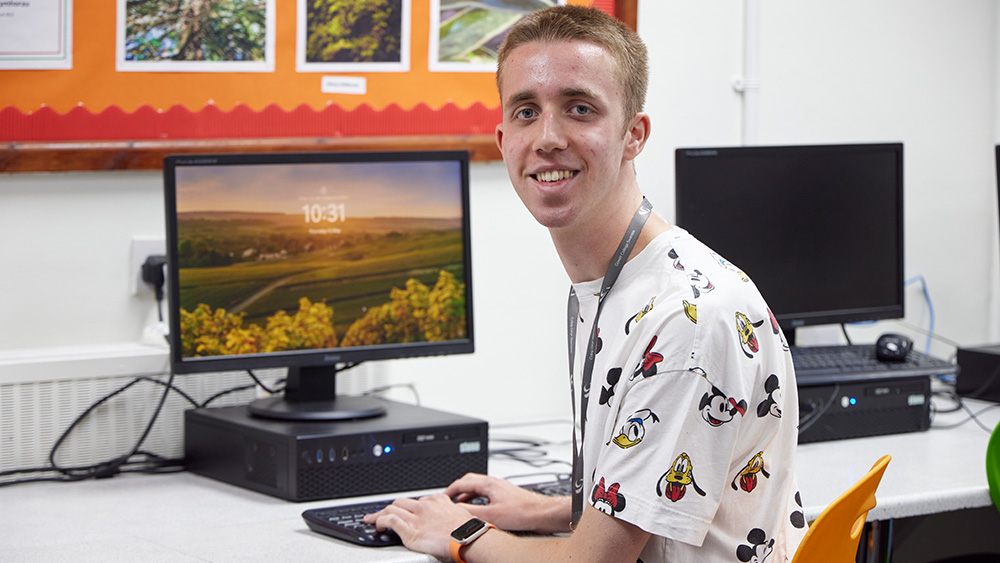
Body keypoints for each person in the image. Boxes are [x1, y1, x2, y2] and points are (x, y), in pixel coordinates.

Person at [366, 6, 807, 562]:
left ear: (633, 135)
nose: (548, 138)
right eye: (527, 111)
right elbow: (675, 489)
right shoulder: (617, 286)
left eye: (579, 108)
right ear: (503, 140)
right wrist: (549, 507)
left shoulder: (688, 317)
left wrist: (459, 534)